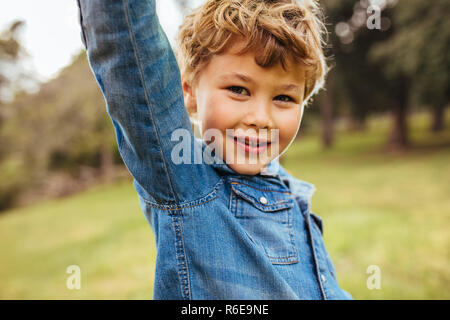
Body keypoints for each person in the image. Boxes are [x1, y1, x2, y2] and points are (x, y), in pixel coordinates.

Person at [77, 0, 352, 299]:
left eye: (284, 97)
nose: (261, 118)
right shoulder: (183, 179)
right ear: (190, 93)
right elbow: (127, 46)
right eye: (238, 90)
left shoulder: (292, 191)